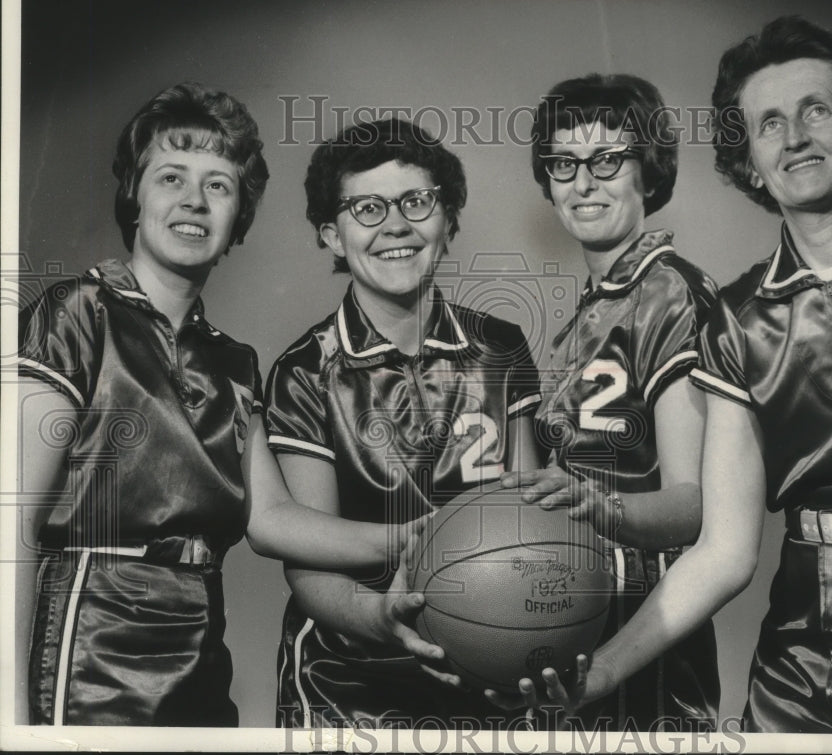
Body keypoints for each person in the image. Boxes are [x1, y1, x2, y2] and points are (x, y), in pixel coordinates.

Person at [519, 17, 832, 736]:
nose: (792, 136)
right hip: (805, 650)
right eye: (768, 123)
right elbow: (725, 551)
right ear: (748, 158)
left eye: (814, 110)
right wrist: (599, 669)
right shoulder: (736, 317)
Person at [16, 83, 415, 726]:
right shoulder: (75, 314)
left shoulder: (234, 361)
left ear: (238, 219)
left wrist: (416, 538)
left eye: (219, 185)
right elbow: (11, 528)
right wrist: (10, 715)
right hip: (92, 641)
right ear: (135, 196)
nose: (194, 201)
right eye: (171, 176)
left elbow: (272, 520)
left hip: (201, 642)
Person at [267, 118, 542, 729]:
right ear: (330, 235)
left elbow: (531, 522)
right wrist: (380, 620)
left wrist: (530, 631)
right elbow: (307, 558)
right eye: (367, 208)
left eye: (416, 201)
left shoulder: (501, 346)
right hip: (349, 680)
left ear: (448, 221)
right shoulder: (303, 372)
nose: (395, 224)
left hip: (487, 667)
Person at [492, 74, 720, 732]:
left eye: (606, 160)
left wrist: (597, 505)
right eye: (564, 163)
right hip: (569, 605)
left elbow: (692, 505)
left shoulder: (670, 293)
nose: (583, 182)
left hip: (644, 613)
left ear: (648, 170)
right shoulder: (588, 316)